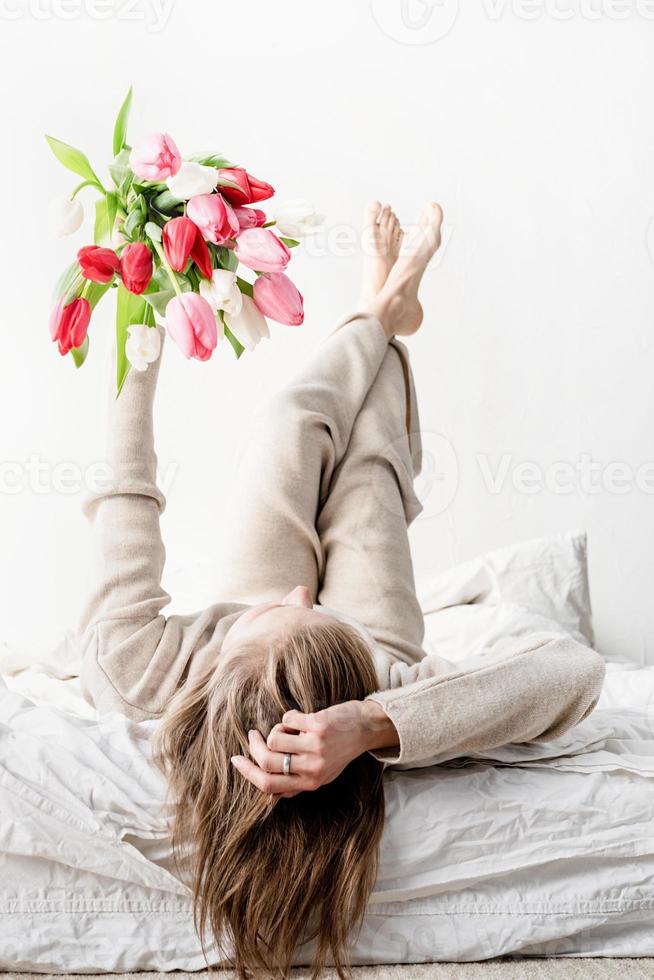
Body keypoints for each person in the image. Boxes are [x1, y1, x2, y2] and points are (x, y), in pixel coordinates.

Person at [78, 201, 605, 980]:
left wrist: (138, 339)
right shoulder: (381, 680)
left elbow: (125, 493)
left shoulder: (141, 667)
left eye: (276, 619)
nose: (299, 592)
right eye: (306, 609)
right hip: (367, 640)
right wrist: (373, 720)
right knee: (367, 462)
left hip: (286, 644)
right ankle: (386, 315)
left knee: (290, 420)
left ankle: (381, 313)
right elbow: (574, 673)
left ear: (221, 665)